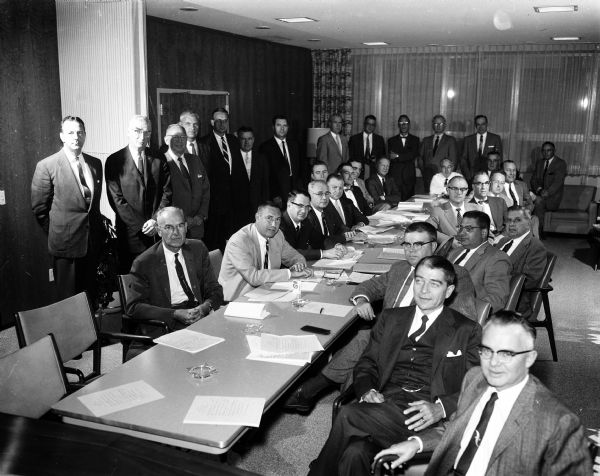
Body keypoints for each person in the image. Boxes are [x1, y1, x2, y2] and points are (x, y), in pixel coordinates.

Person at [307, 256, 482, 476]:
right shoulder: (391, 318)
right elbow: (367, 363)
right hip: (385, 403)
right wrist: (367, 390)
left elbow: (476, 384)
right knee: (355, 453)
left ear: (449, 291)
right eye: (419, 281)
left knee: (348, 415)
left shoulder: (466, 329)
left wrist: (441, 408)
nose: (424, 290)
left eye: (434, 284)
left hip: (426, 416)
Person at [284, 223, 477, 414]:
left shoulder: (455, 275)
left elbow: (464, 323)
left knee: (362, 339)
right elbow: (369, 286)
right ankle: (321, 389)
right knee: (361, 337)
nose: (411, 250)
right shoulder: (400, 268)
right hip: (386, 332)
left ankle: (311, 390)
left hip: (417, 344)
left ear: (433, 246)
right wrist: (361, 300)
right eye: (407, 244)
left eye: (418, 244)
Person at [374, 311, 592, 475]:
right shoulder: (475, 378)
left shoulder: (558, 422)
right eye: (487, 351)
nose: (493, 363)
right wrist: (416, 444)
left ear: (530, 358)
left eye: (506, 353)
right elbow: (458, 428)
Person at [31, 116, 103, 304]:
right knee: (69, 301)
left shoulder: (95, 164)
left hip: (91, 244)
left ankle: (92, 334)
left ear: (85, 135)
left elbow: (92, 207)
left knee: (90, 298)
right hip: (65, 245)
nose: (76, 137)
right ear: (62, 136)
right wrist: (60, 231)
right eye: (70, 132)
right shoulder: (47, 166)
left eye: (80, 132)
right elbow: (39, 209)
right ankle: (70, 335)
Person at [127, 207, 223, 335]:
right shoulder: (144, 262)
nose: (176, 233)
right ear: (159, 231)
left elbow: (215, 289)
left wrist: (204, 308)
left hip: (199, 316)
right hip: (166, 324)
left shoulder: (198, 249)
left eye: (180, 226)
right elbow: (134, 307)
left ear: (186, 227)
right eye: (168, 227)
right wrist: (174, 314)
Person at [105, 115, 172, 273]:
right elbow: (117, 201)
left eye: (147, 132)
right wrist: (142, 226)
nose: (142, 137)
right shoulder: (114, 161)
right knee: (133, 285)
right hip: (130, 236)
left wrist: (155, 220)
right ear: (128, 132)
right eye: (137, 131)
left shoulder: (159, 158)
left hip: (156, 233)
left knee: (157, 282)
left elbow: (167, 192)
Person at [218, 202, 310, 301]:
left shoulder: (277, 235)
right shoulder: (239, 241)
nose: (274, 224)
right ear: (257, 217)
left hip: (268, 292)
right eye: (269, 218)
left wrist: (298, 264)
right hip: (238, 299)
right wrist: (290, 273)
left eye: (277, 219)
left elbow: (295, 256)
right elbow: (254, 277)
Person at [199, 108, 251, 251]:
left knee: (234, 240)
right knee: (215, 242)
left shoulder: (233, 140)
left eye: (225, 121)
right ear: (212, 122)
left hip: (233, 202)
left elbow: (238, 171)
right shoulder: (204, 142)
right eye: (218, 121)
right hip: (215, 203)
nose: (222, 124)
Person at [448, 211, 511, 311]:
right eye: (461, 227)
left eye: (468, 229)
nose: (461, 233)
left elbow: (496, 299)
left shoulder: (496, 258)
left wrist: (463, 312)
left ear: (484, 232)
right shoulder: (455, 252)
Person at [495, 206, 547, 315]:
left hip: (512, 301)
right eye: (508, 220)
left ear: (528, 223)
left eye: (517, 220)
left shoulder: (535, 246)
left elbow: (529, 281)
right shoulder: (503, 241)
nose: (512, 224)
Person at [163, 124, 209, 239]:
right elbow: (163, 197)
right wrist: (182, 219)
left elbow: (205, 189)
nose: (180, 141)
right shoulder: (161, 163)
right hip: (175, 228)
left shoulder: (195, 160)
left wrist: (201, 215)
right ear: (166, 140)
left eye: (183, 137)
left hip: (197, 226)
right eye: (176, 137)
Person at [279, 190, 346, 260]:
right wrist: (324, 253)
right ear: (289, 204)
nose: (304, 211)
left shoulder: (305, 221)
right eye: (300, 206)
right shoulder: (279, 224)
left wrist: (335, 246)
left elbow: (320, 240)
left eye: (307, 207)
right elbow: (291, 252)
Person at [259, 114, 302, 208]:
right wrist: (274, 195)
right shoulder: (265, 147)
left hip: (295, 191)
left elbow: (299, 169)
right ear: (273, 127)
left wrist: (298, 189)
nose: (282, 128)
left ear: (288, 127)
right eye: (279, 125)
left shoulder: (295, 145)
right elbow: (266, 176)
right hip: (278, 193)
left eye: (285, 125)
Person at [530, 141, 567, 238]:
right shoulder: (539, 163)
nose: (546, 153)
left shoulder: (560, 163)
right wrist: (539, 190)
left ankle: (538, 231)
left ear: (554, 151)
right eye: (544, 151)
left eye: (549, 150)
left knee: (538, 201)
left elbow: (558, 182)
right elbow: (533, 180)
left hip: (552, 198)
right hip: (539, 193)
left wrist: (547, 192)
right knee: (527, 199)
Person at [306, 180, 353, 249]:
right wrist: (345, 237)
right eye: (320, 194)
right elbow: (321, 242)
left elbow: (341, 228)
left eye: (327, 193)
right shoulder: (306, 215)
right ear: (309, 195)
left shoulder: (328, 210)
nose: (324, 197)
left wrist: (351, 234)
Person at [427, 176, 477, 241]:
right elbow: (427, 230)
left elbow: (487, 233)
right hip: (451, 250)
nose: (459, 192)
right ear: (448, 190)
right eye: (455, 188)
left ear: (467, 191)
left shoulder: (476, 209)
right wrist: (449, 241)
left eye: (463, 189)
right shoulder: (438, 211)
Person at [419, 115, 458, 190]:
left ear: (445, 125)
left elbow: (454, 161)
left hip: (443, 177)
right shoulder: (426, 140)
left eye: (441, 124)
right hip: (428, 178)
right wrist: (424, 171)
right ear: (432, 125)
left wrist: (448, 177)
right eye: (436, 124)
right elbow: (420, 158)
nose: (438, 126)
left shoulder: (450, 140)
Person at [238, 126, 270, 214]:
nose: (247, 142)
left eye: (249, 139)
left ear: (253, 139)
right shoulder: (233, 157)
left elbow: (265, 183)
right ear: (239, 140)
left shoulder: (262, 158)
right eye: (243, 139)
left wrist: (265, 204)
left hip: (257, 206)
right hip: (238, 206)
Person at [460, 115, 503, 180]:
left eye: (483, 124)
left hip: (490, 176)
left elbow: (499, 159)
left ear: (487, 124)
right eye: (478, 124)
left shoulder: (495, 138)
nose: (480, 127)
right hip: (472, 176)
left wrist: (495, 176)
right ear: (475, 125)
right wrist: (467, 175)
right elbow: (463, 160)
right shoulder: (468, 140)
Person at [387, 114, 420, 200]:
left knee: (409, 204)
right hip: (395, 177)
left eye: (406, 122)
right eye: (401, 123)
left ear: (409, 125)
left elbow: (412, 155)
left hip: (409, 177)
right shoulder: (391, 140)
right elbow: (391, 157)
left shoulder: (415, 140)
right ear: (398, 125)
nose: (404, 125)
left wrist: (398, 156)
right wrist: (405, 156)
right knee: (395, 203)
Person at [469, 171, 507, 237]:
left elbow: (508, 223)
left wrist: (501, 237)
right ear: (473, 186)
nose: (483, 187)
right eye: (479, 183)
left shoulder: (500, 201)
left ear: (489, 184)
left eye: (486, 183)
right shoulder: (468, 207)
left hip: (501, 237)